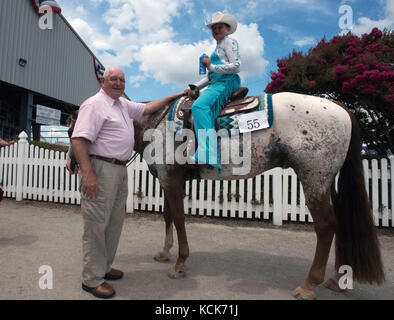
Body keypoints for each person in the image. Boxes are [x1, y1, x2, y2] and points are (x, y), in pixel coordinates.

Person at [70, 67, 184, 299]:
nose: (119, 83)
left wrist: (174, 96)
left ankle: (104, 267)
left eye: (122, 80)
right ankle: (91, 279)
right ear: (103, 80)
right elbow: (79, 139)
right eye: (114, 79)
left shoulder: (122, 105)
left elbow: (149, 107)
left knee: (113, 223)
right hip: (100, 169)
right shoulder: (94, 104)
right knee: (96, 225)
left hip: (119, 169)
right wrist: (88, 173)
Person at [188, 12, 241, 169]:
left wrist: (211, 66)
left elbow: (237, 65)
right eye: (214, 28)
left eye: (220, 27)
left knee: (199, 107)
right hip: (216, 82)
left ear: (228, 28)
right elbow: (212, 77)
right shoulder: (218, 47)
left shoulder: (229, 42)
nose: (216, 30)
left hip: (226, 82)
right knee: (205, 111)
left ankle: (208, 153)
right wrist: (196, 86)